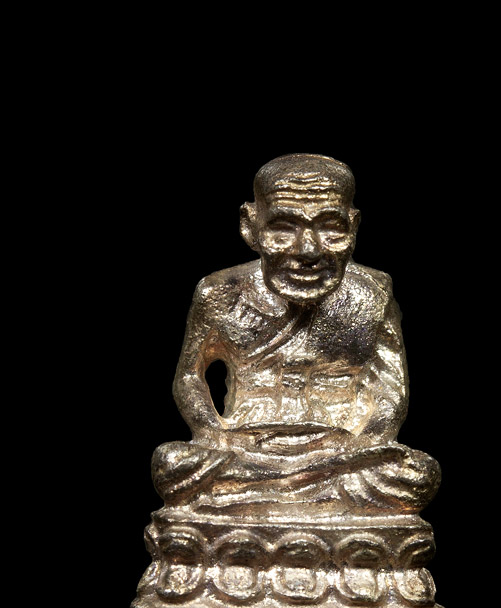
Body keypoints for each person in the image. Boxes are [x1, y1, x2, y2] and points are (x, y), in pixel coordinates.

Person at [152, 154, 440, 517]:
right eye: (283, 228)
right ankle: (300, 492)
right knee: (172, 464)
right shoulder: (220, 293)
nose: (308, 250)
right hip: (247, 447)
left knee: (416, 474)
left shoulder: (373, 293)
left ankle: (263, 494)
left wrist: (365, 443)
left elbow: (390, 389)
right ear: (250, 227)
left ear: (353, 226)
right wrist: (214, 435)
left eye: (330, 228)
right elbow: (190, 377)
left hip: (339, 451)